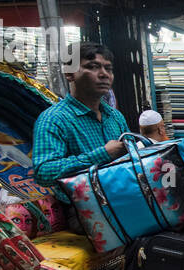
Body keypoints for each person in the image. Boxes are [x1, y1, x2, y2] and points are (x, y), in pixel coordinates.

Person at [33, 44, 129, 198]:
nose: (104, 74)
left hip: (124, 202)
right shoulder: (53, 119)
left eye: (108, 69)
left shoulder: (115, 117)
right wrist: (102, 154)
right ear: (70, 73)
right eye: (93, 67)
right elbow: (43, 172)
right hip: (86, 212)